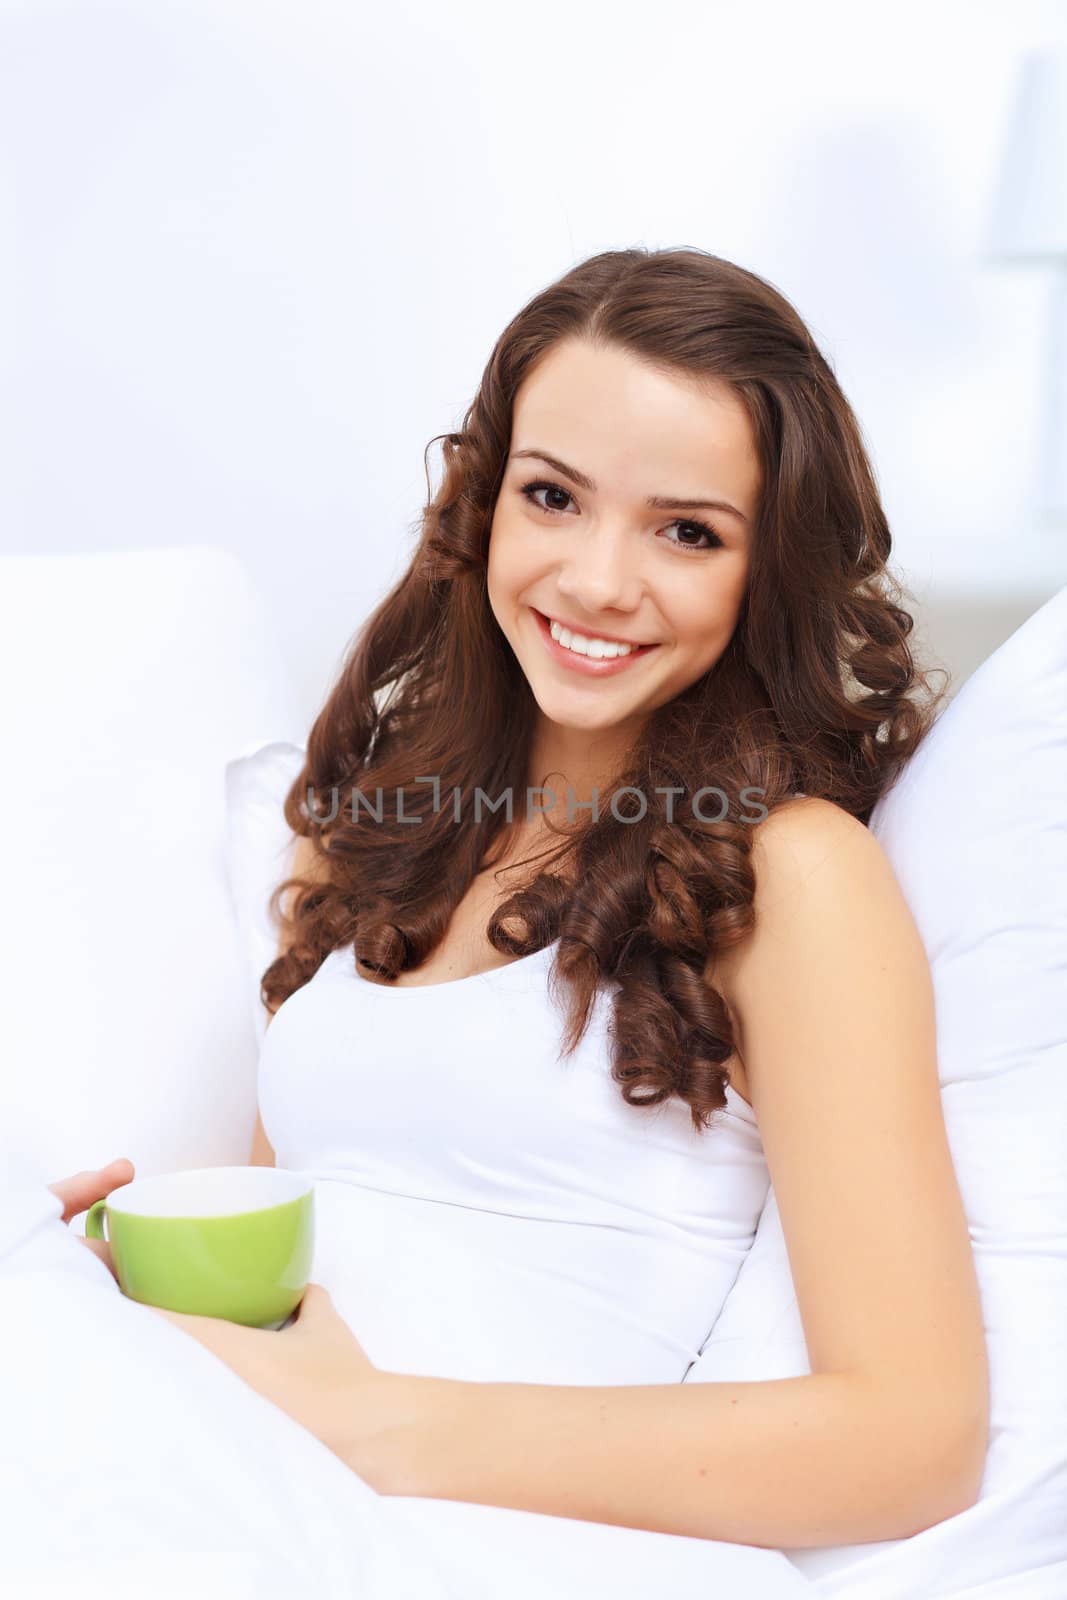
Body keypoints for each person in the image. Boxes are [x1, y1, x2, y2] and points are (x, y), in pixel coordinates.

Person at [29, 247, 988, 1589]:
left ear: (770, 570)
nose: (597, 581)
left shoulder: (794, 876)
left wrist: (372, 1424)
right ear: (485, 506)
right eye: (553, 498)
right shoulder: (386, 837)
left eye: (688, 531)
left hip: (471, 1538)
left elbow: (913, 1439)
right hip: (263, 1481)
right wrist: (143, 1278)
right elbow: (318, 1246)